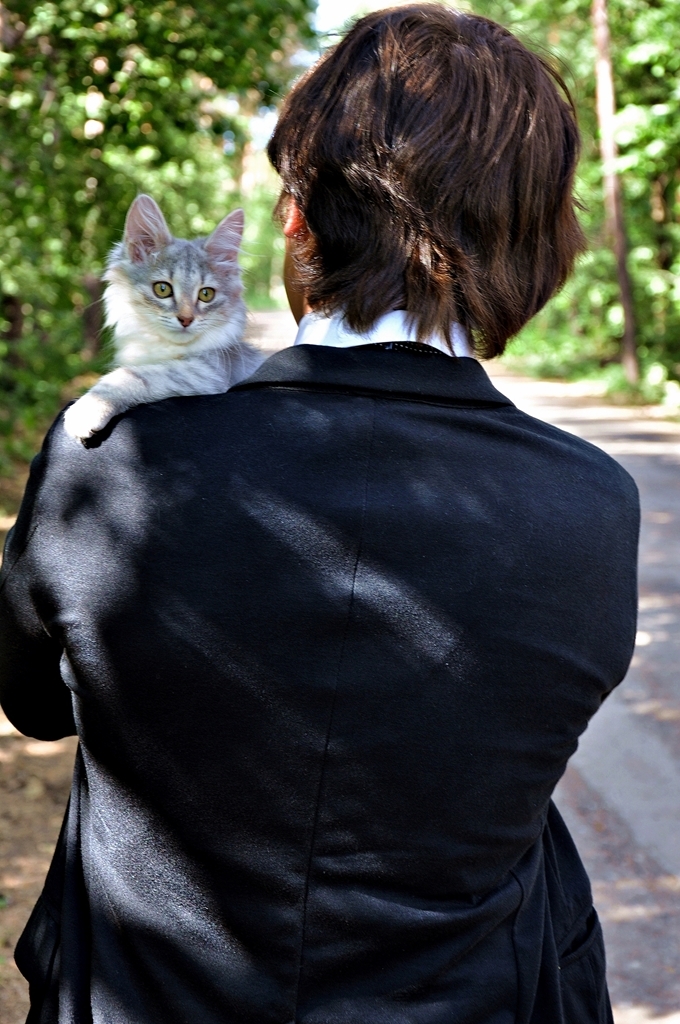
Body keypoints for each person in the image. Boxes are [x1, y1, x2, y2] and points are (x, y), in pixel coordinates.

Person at [0, 5, 639, 1023]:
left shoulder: (110, 462)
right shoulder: (591, 507)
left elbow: (35, 703)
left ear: (295, 218)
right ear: (532, 242)